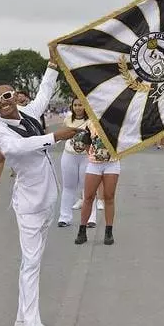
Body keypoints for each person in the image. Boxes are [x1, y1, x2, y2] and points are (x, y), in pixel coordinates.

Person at [0, 61, 78, 326]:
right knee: (30, 266)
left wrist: (52, 66)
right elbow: (16, 148)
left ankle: (25, 319)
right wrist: (56, 136)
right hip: (28, 205)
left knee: (33, 263)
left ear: (15, 96)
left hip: (47, 197)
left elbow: (43, 93)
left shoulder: (28, 112)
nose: (4, 102)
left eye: (7, 95)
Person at [74, 120, 120, 246]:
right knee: (88, 197)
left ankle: (108, 231)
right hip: (94, 165)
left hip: (112, 163)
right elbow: (87, 141)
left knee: (109, 197)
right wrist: (92, 155)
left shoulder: (118, 121)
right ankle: (82, 231)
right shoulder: (91, 122)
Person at [58, 97, 96, 228]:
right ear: (72, 106)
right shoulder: (68, 119)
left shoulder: (92, 120)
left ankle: (91, 218)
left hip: (86, 157)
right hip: (69, 156)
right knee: (68, 187)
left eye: (81, 105)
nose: (78, 107)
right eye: (75, 105)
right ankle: (64, 217)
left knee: (88, 188)